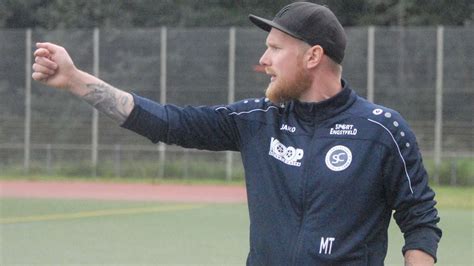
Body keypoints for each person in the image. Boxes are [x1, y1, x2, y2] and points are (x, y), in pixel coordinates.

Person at [32, 2, 441, 265]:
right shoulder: (257, 119)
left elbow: (419, 219)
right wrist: (74, 79)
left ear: (313, 56)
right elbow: (167, 121)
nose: (264, 60)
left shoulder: (382, 130)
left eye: (275, 48)